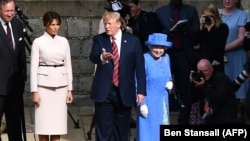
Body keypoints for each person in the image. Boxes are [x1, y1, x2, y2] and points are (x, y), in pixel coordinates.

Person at [89, 11, 146, 141]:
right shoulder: (99, 39)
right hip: (105, 92)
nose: (106, 26)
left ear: (119, 24)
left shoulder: (133, 41)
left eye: (109, 23)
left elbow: (140, 68)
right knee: (104, 132)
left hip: (124, 92)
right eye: (105, 24)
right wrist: (102, 57)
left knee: (121, 132)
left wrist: (141, 91)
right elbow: (93, 57)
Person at [30, 11, 73, 141]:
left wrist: (70, 89)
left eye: (57, 24)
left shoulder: (64, 41)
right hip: (43, 87)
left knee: (57, 126)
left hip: (61, 86)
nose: (55, 27)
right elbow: (33, 68)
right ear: (45, 25)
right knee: (43, 125)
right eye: (52, 24)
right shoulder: (38, 42)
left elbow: (68, 65)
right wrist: (34, 91)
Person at [156, 0, 200, 125]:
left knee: (184, 91)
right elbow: (156, 34)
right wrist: (169, 31)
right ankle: (161, 121)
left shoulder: (191, 10)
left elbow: (197, 35)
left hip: (184, 55)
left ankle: (183, 123)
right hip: (166, 55)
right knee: (162, 87)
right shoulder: (160, 12)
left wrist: (186, 29)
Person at [137, 33, 173, 141]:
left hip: (163, 102)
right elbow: (137, 82)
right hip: (148, 102)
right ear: (149, 46)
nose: (158, 50)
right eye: (155, 47)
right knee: (148, 134)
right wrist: (142, 104)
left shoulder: (166, 58)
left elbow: (168, 75)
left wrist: (170, 82)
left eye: (161, 47)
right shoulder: (144, 58)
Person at [219, 0, 250, 124]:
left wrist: (222, 48)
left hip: (236, 56)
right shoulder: (216, 13)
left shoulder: (243, 15)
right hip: (218, 58)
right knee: (221, 87)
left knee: (238, 88)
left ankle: (238, 116)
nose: (227, 0)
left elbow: (242, 39)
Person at [0, 0, 27, 140]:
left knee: (15, 124)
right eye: (7, 11)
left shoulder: (17, 24)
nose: (10, 14)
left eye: (12, 10)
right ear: (0, 10)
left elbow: (21, 53)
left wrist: (24, 77)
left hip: (15, 84)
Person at [189, 59, 238, 124]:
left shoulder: (221, 79)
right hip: (209, 119)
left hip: (225, 119)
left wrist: (204, 86)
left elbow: (219, 99)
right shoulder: (201, 81)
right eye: (200, 71)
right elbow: (192, 99)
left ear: (211, 69)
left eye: (205, 70)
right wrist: (192, 84)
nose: (203, 73)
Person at [197, 3, 229, 73]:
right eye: (205, 17)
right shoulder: (203, 29)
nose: (207, 19)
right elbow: (195, 42)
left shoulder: (223, 27)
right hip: (203, 63)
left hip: (215, 63)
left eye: (210, 16)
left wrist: (210, 29)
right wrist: (200, 28)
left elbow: (218, 46)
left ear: (215, 16)